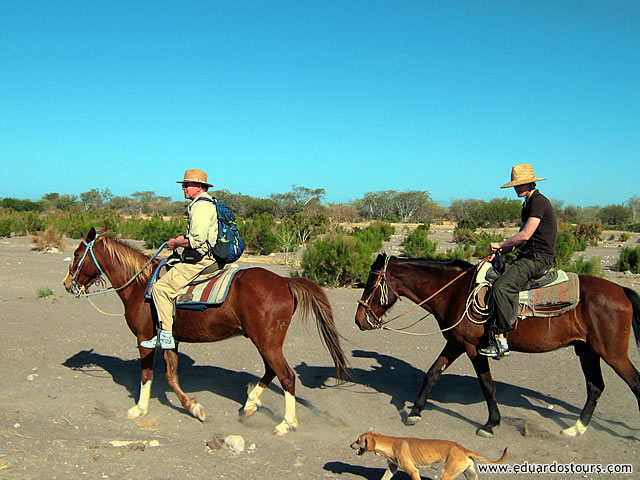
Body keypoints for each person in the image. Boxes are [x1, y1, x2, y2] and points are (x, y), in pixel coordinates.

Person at [477, 164, 557, 358]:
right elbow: (520, 238)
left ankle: (502, 338)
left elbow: (525, 235)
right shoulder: (527, 204)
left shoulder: (539, 202)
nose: (517, 188)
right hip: (528, 254)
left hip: (538, 258)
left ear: (531, 184)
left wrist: (500, 244)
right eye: (515, 185)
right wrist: (500, 251)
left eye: (520, 185)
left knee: (502, 287)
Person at [140, 169, 221, 349]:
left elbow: (197, 240)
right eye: (183, 185)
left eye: (186, 185)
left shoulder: (200, 206)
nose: (183, 188)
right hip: (211, 254)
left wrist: (176, 242)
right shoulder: (210, 203)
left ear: (198, 187)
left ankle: (165, 335)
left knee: (160, 288)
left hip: (203, 259)